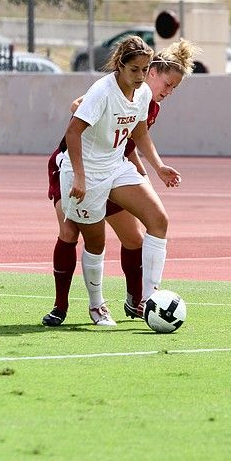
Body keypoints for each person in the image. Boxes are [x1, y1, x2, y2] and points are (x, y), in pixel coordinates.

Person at [43, 38, 197, 327]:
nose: (168, 91)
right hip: (79, 167)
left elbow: (134, 138)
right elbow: (77, 127)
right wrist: (80, 175)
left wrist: (157, 168)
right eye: (167, 84)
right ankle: (67, 306)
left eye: (174, 88)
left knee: (151, 226)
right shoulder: (104, 90)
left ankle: (146, 299)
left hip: (114, 167)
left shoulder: (145, 101)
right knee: (74, 235)